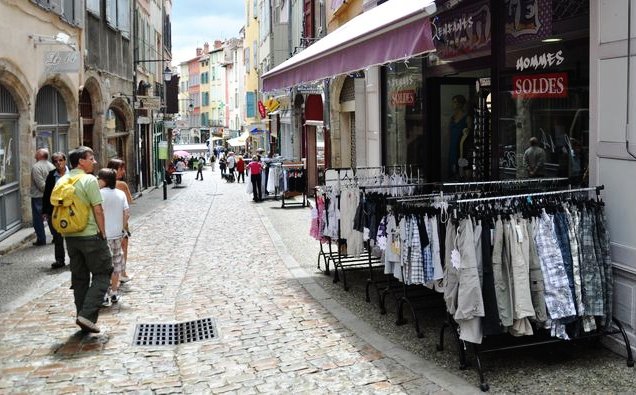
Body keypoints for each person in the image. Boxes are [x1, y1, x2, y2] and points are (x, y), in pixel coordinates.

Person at [63, 146, 112, 334]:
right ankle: (87, 314)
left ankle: (81, 316)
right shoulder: (89, 180)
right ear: (81, 162)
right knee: (103, 272)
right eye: (91, 158)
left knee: (80, 277)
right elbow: (98, 209)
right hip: (90, 234)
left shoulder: (64, 179)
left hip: (70, 236)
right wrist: (103, 232)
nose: (94, 162)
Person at [97, 168, 129, 306]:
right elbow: (127, 213)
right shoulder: (120, 194)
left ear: (103, 180)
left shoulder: (98, 194)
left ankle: (104, 295)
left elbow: (96, 213)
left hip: (102, 235)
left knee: (103, 266)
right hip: (117, 234)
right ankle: (114, 293)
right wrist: (122, 228)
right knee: (116, 264)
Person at [107, 159, 133, 283]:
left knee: (110, 251)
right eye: (121, 169)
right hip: (121, 222)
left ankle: (111, 275)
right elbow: (130, 200)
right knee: (123, 248)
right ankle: (122, 273)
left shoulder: (101, 184)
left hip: (106, 223)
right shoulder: (122, 185)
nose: (123, 171)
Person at [42, 152, 69, 269]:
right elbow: (47, 194)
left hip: (70, 209)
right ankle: (59, 260)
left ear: (65, 161)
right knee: (57, 237)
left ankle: (75, 259)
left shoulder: (72, 174)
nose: (58, 163)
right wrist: (45, 211)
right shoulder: (51, 175)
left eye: (60, 160)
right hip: (55, 210)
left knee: (71, 236)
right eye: (56, 161)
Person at [31, 148, 55, 246]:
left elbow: (41, 185)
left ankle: (41, 239)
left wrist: (48, 193)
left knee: (38, 219)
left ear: (40, 156)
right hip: (50, 196)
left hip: (39, 197)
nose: (35, 154)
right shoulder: (51, 165)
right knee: (51, 217)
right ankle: (56, 236)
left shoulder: (36, 167)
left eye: (36, 153)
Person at [448, 95, 473, 180]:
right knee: (453, 170)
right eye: (453, 102)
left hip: (462, 148)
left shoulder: (467, 118)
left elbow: (469, 134)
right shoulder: (452, 118)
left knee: (462, 169)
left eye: (455, 102)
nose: (453, 105)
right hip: (453, 147)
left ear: (460, 104)